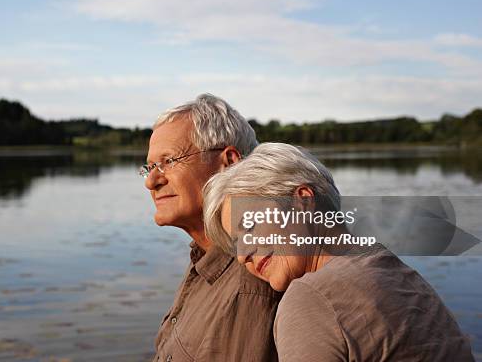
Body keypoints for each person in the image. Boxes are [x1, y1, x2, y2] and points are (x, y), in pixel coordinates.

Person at [203, 142, 474, 362]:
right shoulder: (391, 269)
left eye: (248, 226)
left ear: (302, 202)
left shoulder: (312, 297)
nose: (242, 255)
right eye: (236, 241)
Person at [142, 94, 281, 361]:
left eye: (168, 161)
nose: (151, 181)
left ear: (228, 162)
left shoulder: (252, 279)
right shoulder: (206, 256)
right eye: (149, 167)